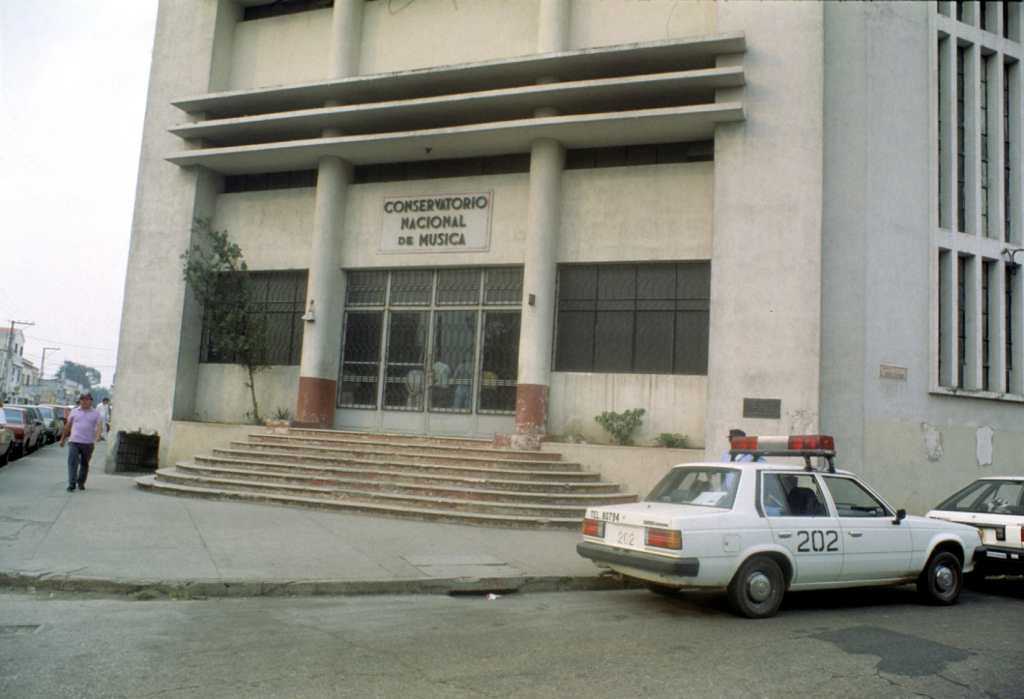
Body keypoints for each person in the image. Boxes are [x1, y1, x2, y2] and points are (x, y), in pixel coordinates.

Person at [60, 393, 103, 492]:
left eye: (87, 399)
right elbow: (68, 426)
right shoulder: (74, 412)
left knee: (84, 464)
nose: (84, 401)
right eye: (82, 399)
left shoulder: (95, 413)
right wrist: (62, 439)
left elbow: (99, 426)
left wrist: (97, 436)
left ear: (91, 401)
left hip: (88, 443)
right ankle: (71, 484)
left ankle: (81, 482)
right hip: (74, 441)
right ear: (80, 401)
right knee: (72, 462)